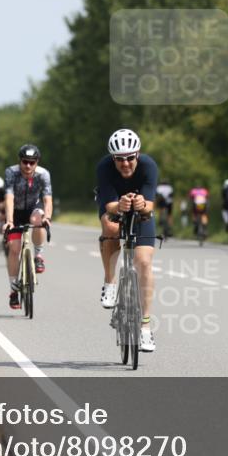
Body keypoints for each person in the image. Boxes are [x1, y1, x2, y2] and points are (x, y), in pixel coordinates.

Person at [96, 128, 158, 353]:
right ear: (113, 158)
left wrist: (141, 204)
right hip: (113, 205)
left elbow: (150, 205)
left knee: (143, 262)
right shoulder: (104, 167)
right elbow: (107, 203)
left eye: (130, 157)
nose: (125, 163)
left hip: (142, 211)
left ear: (138, 154)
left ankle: (145, 328)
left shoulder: (148, 166)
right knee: (111, 226)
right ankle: (110, 282)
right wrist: (118, 205)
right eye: (120, 159)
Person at [3, 144, 53, 309]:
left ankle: (38, 256)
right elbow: (9, 197)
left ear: (37, 162)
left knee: (38, 220)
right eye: (25, 162)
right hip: (15, 211)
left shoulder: (43, 174)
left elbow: (47, 198)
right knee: (14, 248)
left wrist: (48, 217)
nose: (28, 166)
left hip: (33, 207)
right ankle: (13, 291)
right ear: (20, 161)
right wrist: (9, 220)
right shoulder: (11, 172)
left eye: (32, 162)